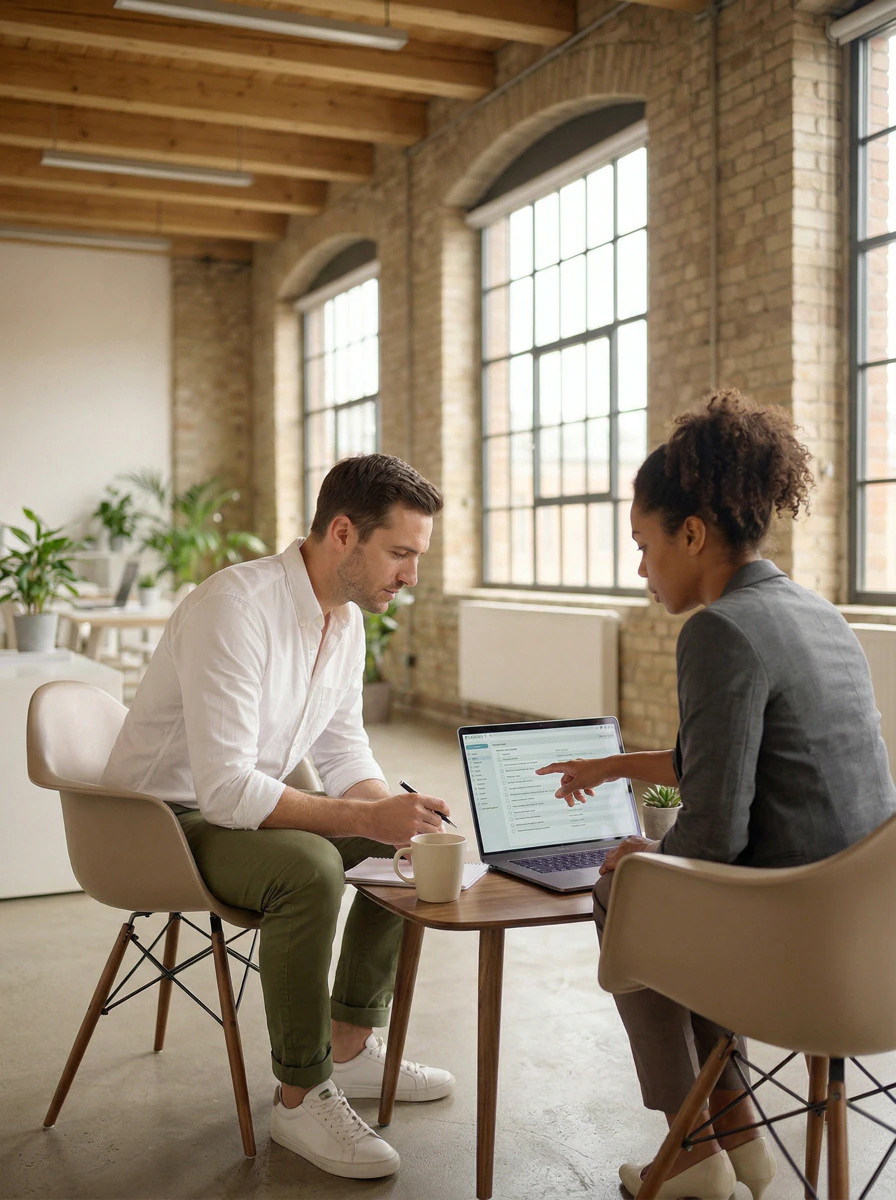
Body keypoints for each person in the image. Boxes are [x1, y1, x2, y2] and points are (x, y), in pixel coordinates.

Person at [536, 391, 896, 1200]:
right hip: (877, 945)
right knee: (661, 887)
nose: (640, 566)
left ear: (691, 533)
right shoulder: (815, 611)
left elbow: (716, 835)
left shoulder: (719, 630)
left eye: (644, 543)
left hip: (798, 954)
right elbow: (746, 759)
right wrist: (615, 768)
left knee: (625, 889)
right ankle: (740, 1140)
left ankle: (695, 1154)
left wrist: (644, 858)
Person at [103, 453, 455, 1181]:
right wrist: (364, 819)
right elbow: (228, 790)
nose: (411, 576)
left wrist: (396, 813)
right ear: (343, 533)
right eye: (401, 554)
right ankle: (299, 1095)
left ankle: (350, 1046)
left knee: (407, 846)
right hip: (157, 821)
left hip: (226, 805)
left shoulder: (347, 621)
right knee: (311, 867)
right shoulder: (235, 607)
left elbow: (343, 746)